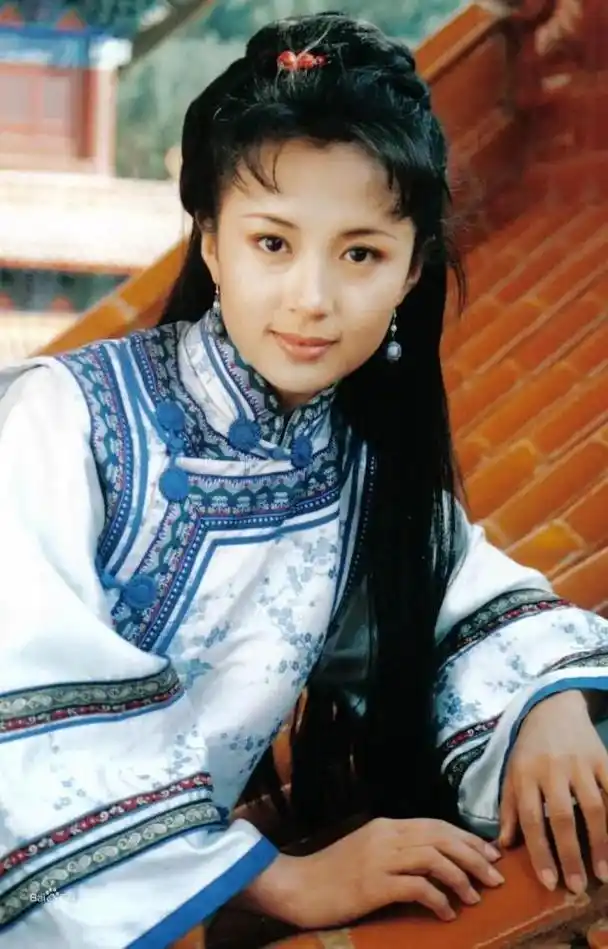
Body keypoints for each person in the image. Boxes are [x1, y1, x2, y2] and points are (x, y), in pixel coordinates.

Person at [0, 11, 606, 949]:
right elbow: (23, 694)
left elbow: (460, 607)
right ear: (211, 241)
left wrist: (546, 703)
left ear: (411, 272)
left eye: (361, 253)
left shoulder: (360, 473)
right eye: (272, 243)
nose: (312, 299)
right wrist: (282, 881)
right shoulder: (66, 419)